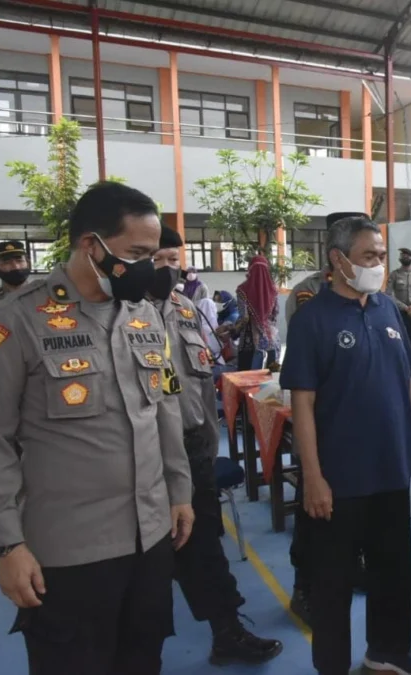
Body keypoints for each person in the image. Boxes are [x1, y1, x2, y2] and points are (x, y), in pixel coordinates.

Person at [0, 181, 195, 674]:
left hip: (151, 538)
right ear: (91, 245)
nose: (149, 267)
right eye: (137, 253)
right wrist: (6, 543)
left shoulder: (145, 315)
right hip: (69, 552)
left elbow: (166, 411)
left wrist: (180, 492)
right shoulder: (13, 321)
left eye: (153, 255)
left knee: (143, 659)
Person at [280, 215, 411, 675]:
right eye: (370, 256)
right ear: (338, 259)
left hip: (390, 470)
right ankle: (332, 666)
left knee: (393, 571)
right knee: (333, 584)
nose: (379, 264)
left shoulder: (387, 309)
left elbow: (407, 382)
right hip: (338, 479)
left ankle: (387, 651)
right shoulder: (312, 319)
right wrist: (313, 478)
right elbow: (302, 405)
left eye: (382, 256)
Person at [146, 227, 283, 665]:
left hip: (192, 450)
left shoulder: (186, 309)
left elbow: (198, 380)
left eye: (173, 260)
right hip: (138, 459)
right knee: (142, 564)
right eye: (156, 260)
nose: (168, 269)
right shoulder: (116, 313)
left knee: (205, 547)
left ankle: (227, 632)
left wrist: (207, 442)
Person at [224, 255, 280, 372]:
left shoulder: (242, 290)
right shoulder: (273, 290)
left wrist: (233, 330)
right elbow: (275, 314)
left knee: (247, 379)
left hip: (249, 343)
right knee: (268, 380)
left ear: (250, 269)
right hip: (271, 342)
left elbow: (244, 317)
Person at [386, 247, 411, 363]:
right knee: (399, 342)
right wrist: (405, 307)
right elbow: (388, 294)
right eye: (403, 255)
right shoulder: (394, 274)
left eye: (407, 256)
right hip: (400, 314)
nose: (405, 258)